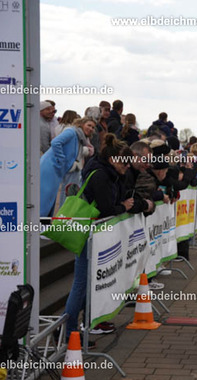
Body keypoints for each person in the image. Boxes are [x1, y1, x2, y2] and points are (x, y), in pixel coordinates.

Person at [64, 135, 135, 346]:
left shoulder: (111, 174)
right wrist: (123, 207)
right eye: (125, 163)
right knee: (81, 284)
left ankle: (77, 326)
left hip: (97, 235)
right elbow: (106, 208)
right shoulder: (101, 175)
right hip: (88, 233)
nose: (127, 167)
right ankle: (68, 332)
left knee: (88, 284)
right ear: (113, 159)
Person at [39, 118, 96, 217]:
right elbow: (55, 142)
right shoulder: (72, 132)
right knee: (45, 199)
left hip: (56, 168)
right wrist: (62, 160)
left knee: (50, 199)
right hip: (50, 166)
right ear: (82, 124)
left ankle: (44, 222)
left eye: (93, 127)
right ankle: (38, 222)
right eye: (89, 125)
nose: (91, 128)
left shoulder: (80, 138)